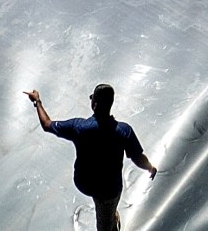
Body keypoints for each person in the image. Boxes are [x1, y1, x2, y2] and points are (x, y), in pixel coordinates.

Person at [28, 83, 156, 231]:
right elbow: (138, 157)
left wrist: (37, 101)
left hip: (86, 183)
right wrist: (150, 168)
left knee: (105, 220)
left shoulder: (79, 127)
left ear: (94, 103)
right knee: (106, 217)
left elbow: (47, 124)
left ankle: (110, 219)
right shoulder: (123, 131)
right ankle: (110, 219)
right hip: (109, 189)